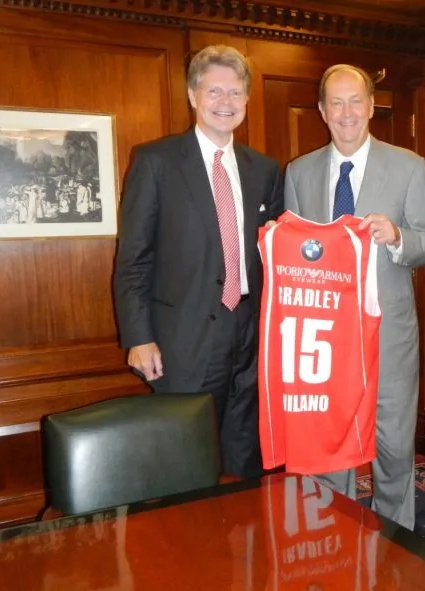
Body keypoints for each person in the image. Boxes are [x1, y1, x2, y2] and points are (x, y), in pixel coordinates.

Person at [113, 45, 284, 479]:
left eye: (235, 92)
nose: (226, 102)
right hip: (183, 338)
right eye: (214, 91)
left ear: (247, 99)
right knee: (184, 460)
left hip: (249, 333)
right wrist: (139, 337)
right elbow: (133, 259)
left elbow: (276, 250)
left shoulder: (264, 170)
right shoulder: (156, 161)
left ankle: (242, 521)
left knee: (244, 455)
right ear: (192, 95)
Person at [283, 64, 425, 530]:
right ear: (322, 110)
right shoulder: (299, 173)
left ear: (371, 107)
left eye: (356, 101)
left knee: (393, 451)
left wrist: (397, 237)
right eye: (336, 102)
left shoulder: (408, 166)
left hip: (388, 338)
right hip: (325, 342)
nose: (347, 112)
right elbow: (294, 256)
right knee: (331, 452)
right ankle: (336, 537)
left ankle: (396, 543)